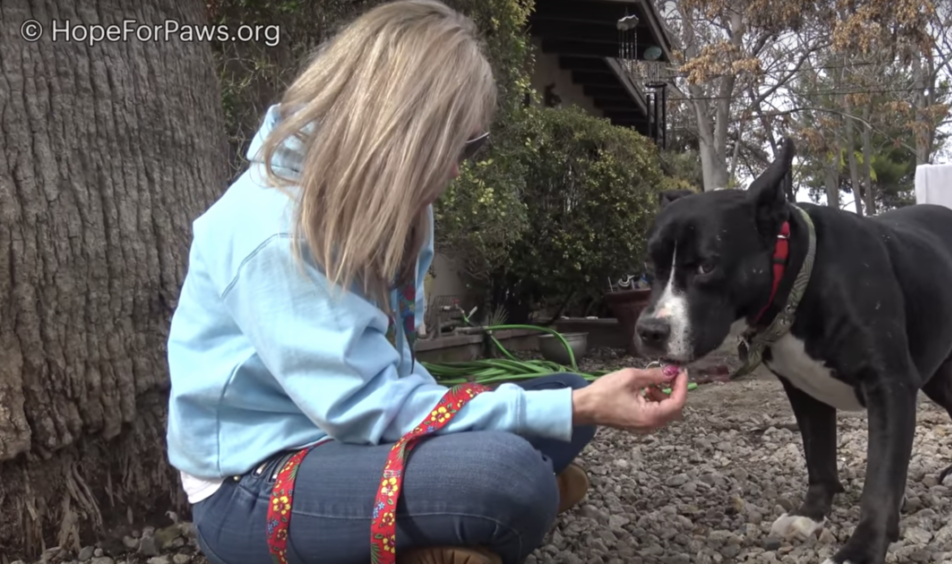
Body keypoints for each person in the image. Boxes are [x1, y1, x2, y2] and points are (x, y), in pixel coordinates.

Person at [164, 1, 689, 563]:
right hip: (253, 482)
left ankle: (442, 518)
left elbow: (395, 381)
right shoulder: (272, 229)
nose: (461, 169)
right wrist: (575, 409)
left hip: (352, 438)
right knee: (514, 479)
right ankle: (466, 513)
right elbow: (368, 409)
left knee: (563, 392)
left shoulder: (391, 203)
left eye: (474, 146)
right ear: (402, 132)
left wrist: (574, 405)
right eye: (460, 147)